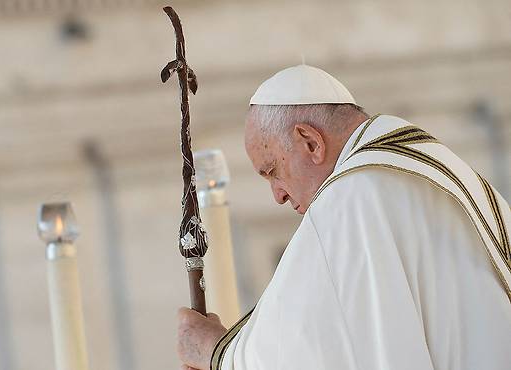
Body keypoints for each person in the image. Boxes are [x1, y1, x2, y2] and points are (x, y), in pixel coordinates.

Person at [177, 65, 511, 370]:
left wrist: (217, 352)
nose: (278, 195)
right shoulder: (438, 166)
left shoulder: (352, 197)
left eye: (273, 171)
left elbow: (310, 348)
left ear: (310, 142)